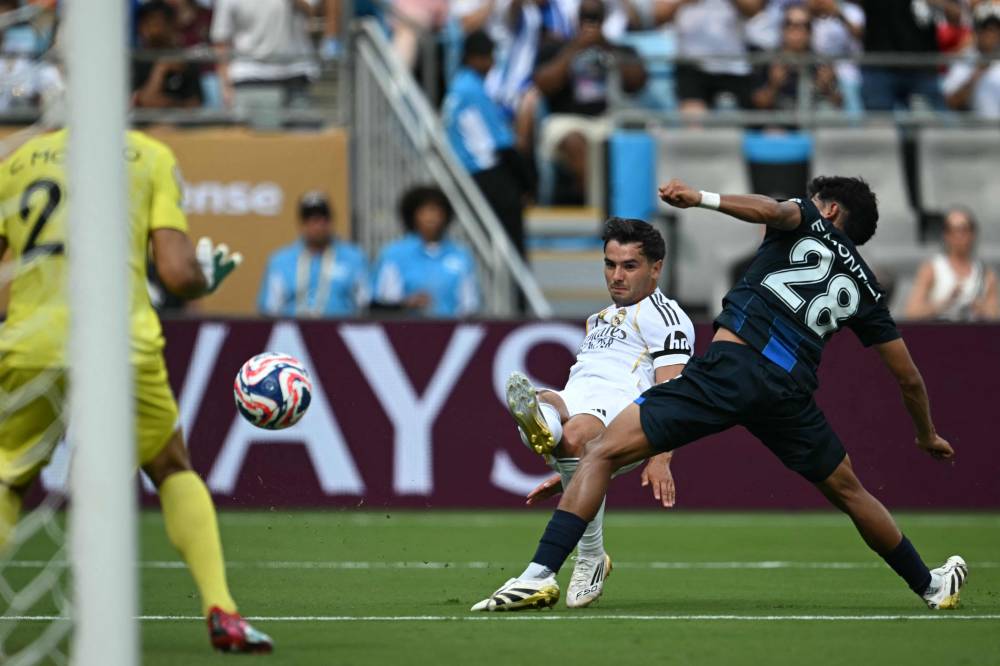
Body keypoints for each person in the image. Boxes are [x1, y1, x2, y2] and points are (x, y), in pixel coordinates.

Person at [473, 175, 969, 612]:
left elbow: (773, 211)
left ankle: (538, 576)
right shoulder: (866, 289)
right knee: (850, 492)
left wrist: (702, 198)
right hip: (787, 391)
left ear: (831, 209)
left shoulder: (809, 220)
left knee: (599, 454)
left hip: (732, 366)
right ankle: (929, 585)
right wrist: (926, 434)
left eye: (815, 199)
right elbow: (907, 376)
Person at [0, 128, 272, 653]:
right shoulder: (149, 155)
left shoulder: (15, 162)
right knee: (171, 465)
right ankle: (222, 610)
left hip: (34, 338)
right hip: (121, 339)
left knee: (10, 477)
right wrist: (202, 280)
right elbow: (174, 271)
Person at [471, 218, 691, 610]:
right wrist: (569, 478)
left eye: (629, 265)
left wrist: (662, 455)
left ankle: (582, 556)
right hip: (580, 400)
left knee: (572, 436)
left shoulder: (666, 317)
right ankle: (548, 432)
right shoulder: (598, 319)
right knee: (548, 404)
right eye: (609, 264)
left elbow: (675, 391)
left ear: (656, 268)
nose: (616, 275)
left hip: (623, 414)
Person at [533, 0, 647, 204]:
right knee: (575, 142)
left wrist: (606, 48)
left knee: (636, 138)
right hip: (567, 120)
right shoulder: (556, 47)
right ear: (576, 19)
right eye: (585, 17)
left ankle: (629, 205)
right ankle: (600, 208)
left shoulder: (619, 49)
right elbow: (543, 84)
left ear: (605, 19)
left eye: (595, 18)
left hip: (608, 119)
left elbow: (637, 82)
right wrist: (575, 49)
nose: (590, 23)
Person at [443, 29, 531, 257]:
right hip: (481, 172)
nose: (492, 63)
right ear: (474, 58)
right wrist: (528, 183)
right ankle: (517, 292)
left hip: (467, 170)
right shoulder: (472, 90)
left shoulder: (459, 86)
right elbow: (499, 143)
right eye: (488, 57)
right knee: (512, 242)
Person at [371, 186, 480, 317]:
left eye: (436, 212)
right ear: (413, 216)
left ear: (446, 216)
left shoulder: (461, 255)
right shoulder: (394, 254)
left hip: (449, 331)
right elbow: (383, 300)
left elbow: (470, 304)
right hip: (406, 331)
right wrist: (408, 303)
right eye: (424, 212)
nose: (431, 218)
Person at [257, 191, 370, 318]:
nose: (318, 226)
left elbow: (365, 305)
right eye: (312, 220)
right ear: (302, 224)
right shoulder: (281, 261)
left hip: (339, 332)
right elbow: (269, 310)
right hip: (291, 334)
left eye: (324, 219)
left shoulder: (353, 258)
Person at [210, 0, 319, 125]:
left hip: (295, 75)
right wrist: (226, 86)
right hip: (250, 78)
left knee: (302, 141)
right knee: (253, 143)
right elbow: (221, 40)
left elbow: (315, 12)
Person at [649, 0, 765, 113]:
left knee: (740, 124)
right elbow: (656, 16)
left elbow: (754, 10)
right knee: (694, 126)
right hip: (691, 66)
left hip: (734, 66)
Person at [859, 0, 962, 111]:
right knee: (879, 124)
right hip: (879, 67)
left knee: (937, 123)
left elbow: (957, 17)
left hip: (921, 69)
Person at [904, 207, 999, 321]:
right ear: (946, 235)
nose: (959, 236)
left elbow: (995, 316)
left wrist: (979, 307)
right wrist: (945, 303)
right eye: (953, 230)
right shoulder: (932, 269)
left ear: (972, 234)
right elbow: (912, 312)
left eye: (963, 229)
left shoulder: (986, 274)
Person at [751, 4, 842, 116]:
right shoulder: (768, 61)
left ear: (810, 31)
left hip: (813, 122)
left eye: (804, 25)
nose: (797, 31)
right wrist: (773, 86)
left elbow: (839, 103)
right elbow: (758, 104)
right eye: (790, 24)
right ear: (782, 29)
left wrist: (828, 88)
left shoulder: (821, 63)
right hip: (780, 124)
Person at [132, 1, 204, 109]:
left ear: (171, 25)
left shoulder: (185, 61)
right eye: (146, 23)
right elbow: (144, 101)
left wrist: (169, 105)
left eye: (156, 23)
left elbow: (195, 104)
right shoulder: (135, 61)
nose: (150, 30)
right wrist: (160, 69)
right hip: (145, 125)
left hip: (180, 124)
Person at [943, 3, 1000, 119]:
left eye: (996, 30)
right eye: (987, 29)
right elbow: (951, 103)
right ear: (977, 32)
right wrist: (978, 73)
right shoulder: (965, 59)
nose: (992, 35)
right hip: (976, 131)